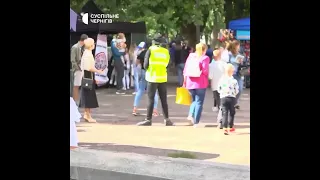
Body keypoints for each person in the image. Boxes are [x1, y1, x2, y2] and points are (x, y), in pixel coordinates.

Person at [136, 36, 173, 126]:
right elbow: (169, 64)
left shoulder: (151, 50)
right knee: (164, 100)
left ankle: (148, 120)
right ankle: (167, 119)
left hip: (152, 77)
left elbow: (145, 65)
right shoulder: (166, 52)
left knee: (150, 99)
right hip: (163, 78)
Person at [183, 43, 210, 127]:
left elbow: (185, 69)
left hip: (190, 82)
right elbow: (205, 71)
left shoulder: (191, 56)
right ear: (204, 49)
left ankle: (191, 115)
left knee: (194, 100)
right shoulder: (205, 58)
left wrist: (184, 81)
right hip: (200, 83)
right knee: (199, 102)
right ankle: (196, 122)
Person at [79, 38, 104, 123]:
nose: (95, 44)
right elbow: (89, 67)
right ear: (91, 45)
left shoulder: (87, 53)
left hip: (88, 76)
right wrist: (98, 71)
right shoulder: (88, 54)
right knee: (88, 96)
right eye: (93, 43)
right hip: (87, 77)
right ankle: (87, 115)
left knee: (88, 96)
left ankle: (87, 114)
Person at [132, 43, 159, 116]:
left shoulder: (142, 53)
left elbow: (137, 62)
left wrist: (139, 69)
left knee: (140, 90)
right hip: (152, 73)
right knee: (154, 92)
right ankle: (155, 110)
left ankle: (135, 108)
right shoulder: (154, 53)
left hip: (143, 72)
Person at [218, 64, 239, 135]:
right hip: (232, 98)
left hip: (223, 98)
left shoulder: (221, 80)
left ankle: (224, 128)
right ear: (232, 72)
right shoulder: (234, 81)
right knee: (232, 113)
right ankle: (231, 126)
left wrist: (221, 93)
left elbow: (219, 88)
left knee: (224, 113)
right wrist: (234, 94)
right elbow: (237, 90)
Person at [71, 34, 88, 102]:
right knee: (76, 86)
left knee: (79, 85)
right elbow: (73, 60)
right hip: (78, 69)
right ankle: (74, 101)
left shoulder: (82, 47)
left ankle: (77, 100)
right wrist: (77, 68)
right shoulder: (75, 47)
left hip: (82, 68)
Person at [228, 40, 244, 109]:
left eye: (239, 46)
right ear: (234, 46)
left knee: (240, 89)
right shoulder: (229, 54)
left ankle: (235, 101)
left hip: (238, 74)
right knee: (231, 89)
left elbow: (242, 64)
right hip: (230, 74)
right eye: (237, 46)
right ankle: (231, 103)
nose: (238, 47)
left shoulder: (239, 54)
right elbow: (227, 62)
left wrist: (241, 62)